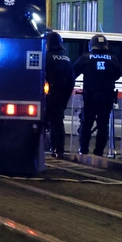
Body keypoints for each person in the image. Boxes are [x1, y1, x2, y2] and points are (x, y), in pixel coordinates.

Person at [72, 34, 121, 156]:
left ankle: (83, 150)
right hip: (106, 97)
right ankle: (99, 152)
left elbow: (73, 73)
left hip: (90, 97)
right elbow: (118, 75)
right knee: (103, 125)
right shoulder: (113, 59)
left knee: (86, 123)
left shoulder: (85, 58)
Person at [43, 31, 75, 160]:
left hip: (46, 96)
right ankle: (58, 150)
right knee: (57, 124)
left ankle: (36, 148)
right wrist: (64, 100)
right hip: (60, 96)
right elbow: (71, 82)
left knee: (41, 123)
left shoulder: (46, 58)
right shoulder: (67, 60)